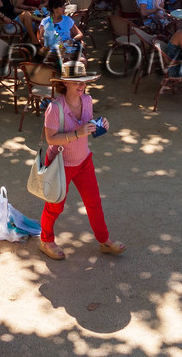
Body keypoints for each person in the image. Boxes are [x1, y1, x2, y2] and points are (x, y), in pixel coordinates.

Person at [39, 61, 125, 260]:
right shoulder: (54, 108)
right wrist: (77, 133)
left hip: (84, 160)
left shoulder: (87, 100)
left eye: (83, 81)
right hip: (60, 164)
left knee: (94, 202)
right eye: (76, 81)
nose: (81, 85)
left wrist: (101, 125)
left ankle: (104, 241)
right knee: (55, 206)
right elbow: (51, 139)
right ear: (65, 83)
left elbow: (88, 127)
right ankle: (46, 240)